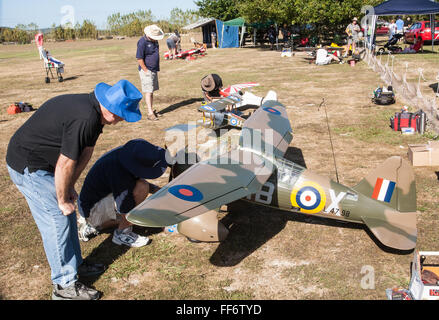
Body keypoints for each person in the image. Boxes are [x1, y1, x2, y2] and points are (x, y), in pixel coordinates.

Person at [6, 79, 143, 300]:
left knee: (67, 216)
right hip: (29, 165)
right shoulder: (85, 118)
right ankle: (64, 286)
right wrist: (62, 199)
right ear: (110, 108)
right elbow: (65, 163)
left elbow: (85, 152)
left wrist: (68, 188)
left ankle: (76, 265)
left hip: (47, 165)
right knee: (58, 219)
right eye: (121, 114)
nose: (122, 120)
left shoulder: (95, 116)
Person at [77, 139, 168, 247]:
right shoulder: (118, 173)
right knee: (142, 188)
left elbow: (133, 178)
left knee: (142, 191)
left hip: (95, 201)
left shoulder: (126, 156)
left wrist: (158, 190)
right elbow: (125, 205)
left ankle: (96, 224)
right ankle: (121, 234)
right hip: (93, 209)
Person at [137, 24, 164, 121]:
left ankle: (151, 110)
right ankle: (149, 113)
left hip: (154, 69)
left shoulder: (155, 41)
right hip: (146, 70)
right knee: (148, 91)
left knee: (151, 91)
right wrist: (146, 70)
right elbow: (139, 58)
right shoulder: (142, 42)